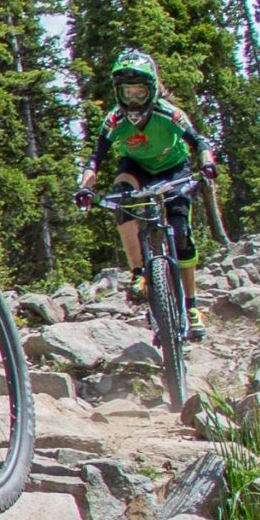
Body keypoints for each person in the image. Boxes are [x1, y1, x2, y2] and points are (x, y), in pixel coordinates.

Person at [75, 48, 214, 342]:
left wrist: (208, 163)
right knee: (121, 197)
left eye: (139, 92)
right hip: (136, 167)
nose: (133, 100)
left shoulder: (169, 113)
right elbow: (95, 159)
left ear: (151, 90)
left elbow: (199, 140)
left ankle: (191, 306)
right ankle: (139, 271)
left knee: (182, 234)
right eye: (127, 92)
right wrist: (86, 187)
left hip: (174, 168)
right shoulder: (114, 120)